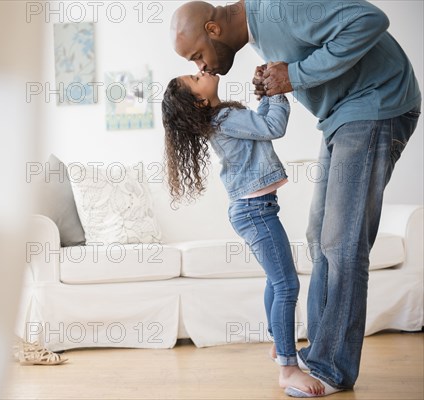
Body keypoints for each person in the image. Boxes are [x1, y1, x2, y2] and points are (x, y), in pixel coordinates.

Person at [170, 1, 421, 397]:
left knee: (342, 244)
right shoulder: (257, 35)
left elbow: (372, 19)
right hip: (343, 116)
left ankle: (331, 368)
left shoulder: (277, 9)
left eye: (197, 55)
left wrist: (294, 76)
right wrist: (277, 82)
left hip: (375, 103)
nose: (203, 67)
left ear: (213, 29)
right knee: (321, 236)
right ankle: (320, 352)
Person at [162, 70, 324, 396]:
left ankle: (280, 348)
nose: (201, 71)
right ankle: (288, 370)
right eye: (195, 78)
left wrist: (265, 96)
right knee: (286, 284)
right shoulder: (223, 118)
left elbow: (260, 129)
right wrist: (277, 91)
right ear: (200, 100)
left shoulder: (224, 117)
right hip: (255, 211)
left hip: (255, 208)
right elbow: (273, 127)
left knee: (275, 280)